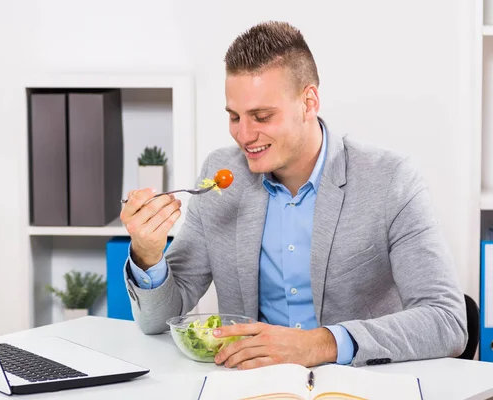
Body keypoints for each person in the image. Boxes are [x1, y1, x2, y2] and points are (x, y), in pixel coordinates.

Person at [119, 21, 467, 369]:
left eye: (262, 116)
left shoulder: (391, 180)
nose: (244, 135)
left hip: (358, 384)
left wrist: (319, 344)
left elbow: (447, 321)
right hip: (252, 385)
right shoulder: (220, 176)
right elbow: (159, 320)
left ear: (308, 101)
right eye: (235, 117)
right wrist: (149, 256)